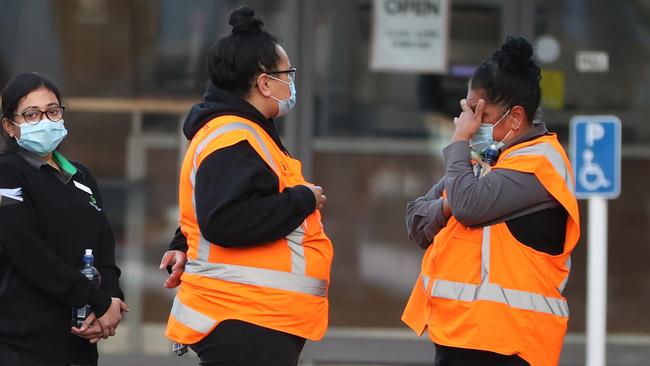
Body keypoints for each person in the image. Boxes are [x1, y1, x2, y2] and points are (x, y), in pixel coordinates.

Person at [160, 7, 333, 365]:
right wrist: (303, 199)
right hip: (244, 315)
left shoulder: (245, 132)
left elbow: (211, 206)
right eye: (289, 74)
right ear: (264, 82)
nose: (292, 83)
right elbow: (225, 218)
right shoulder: (235, 137)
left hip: (254, 314)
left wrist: (182, 242)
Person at [402, 36, 580, 366]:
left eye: (480, 115)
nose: (469, 124)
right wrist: (444, 206)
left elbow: (468, 207)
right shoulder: (488, 159)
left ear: (515, 118)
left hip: (511, 346)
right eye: (467, 111)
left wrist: (458, 142)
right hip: (461, 338)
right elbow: (415, 221)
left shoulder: (539, 164)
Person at [0, 72, 128, 366]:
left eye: (53, 111)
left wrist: (110, 298)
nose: (45, 120)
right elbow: (31, 255)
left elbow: (104, 247)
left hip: (79, 341)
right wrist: (99, 301)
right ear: (10, 126)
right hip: (23, 345)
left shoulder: (80, 176)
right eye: (31, 114)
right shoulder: (6, 175)